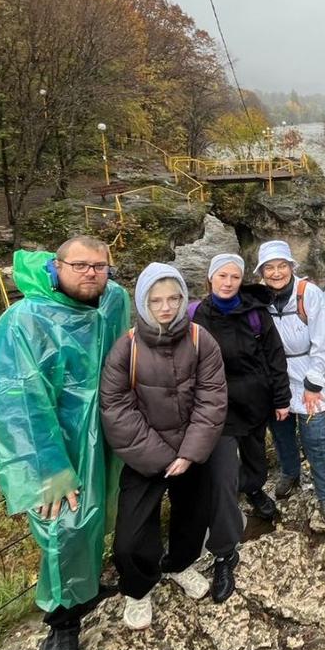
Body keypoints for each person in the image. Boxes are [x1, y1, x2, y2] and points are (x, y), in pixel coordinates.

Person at [0, 236, 130, 650]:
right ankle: (62, 627)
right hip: (57, 446)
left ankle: (88, 589)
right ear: (56, 266)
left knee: (100, 515)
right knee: (61, 526)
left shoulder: (113, 301)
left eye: (99, 265)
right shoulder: (23, 321)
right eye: (80, 265)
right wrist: (46, 469)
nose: (91, 273)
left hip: (107, 433)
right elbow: (16, 402)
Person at [100, 263, 227, 628]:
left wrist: (189, 452)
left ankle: (181, 564)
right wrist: (160, 457)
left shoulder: (202, 340)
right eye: (156, 300)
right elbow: (115, 407)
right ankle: (138, 588)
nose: (167, 307)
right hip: (145, 454)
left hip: (192, 448)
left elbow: (212, 397)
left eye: (174, 298)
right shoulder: (127, 348)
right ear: (142, 303)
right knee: (130, 536)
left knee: (192, 518)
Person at [191, 253, 290, 598]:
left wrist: (281, 397)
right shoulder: (197, 315)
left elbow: (275, 356)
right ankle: (224, 543)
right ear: (210, 280)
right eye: (222, 276)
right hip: (215, 405)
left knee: (253, 450)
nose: (229, 282)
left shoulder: (255, 313)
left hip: (253, 397)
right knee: (221, 468)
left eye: (234, 276)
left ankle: (254, 487)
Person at [256, 239, 325, 524]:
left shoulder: (309, 294)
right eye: (270, 267)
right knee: (281, 434)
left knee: (315, 438)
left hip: (309, 373)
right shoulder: (259, 300)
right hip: (276, 379)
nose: (276, 273)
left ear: (292, 267)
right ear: (261, 271)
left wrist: (312, 384)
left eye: (282, 266)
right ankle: (290, 472)